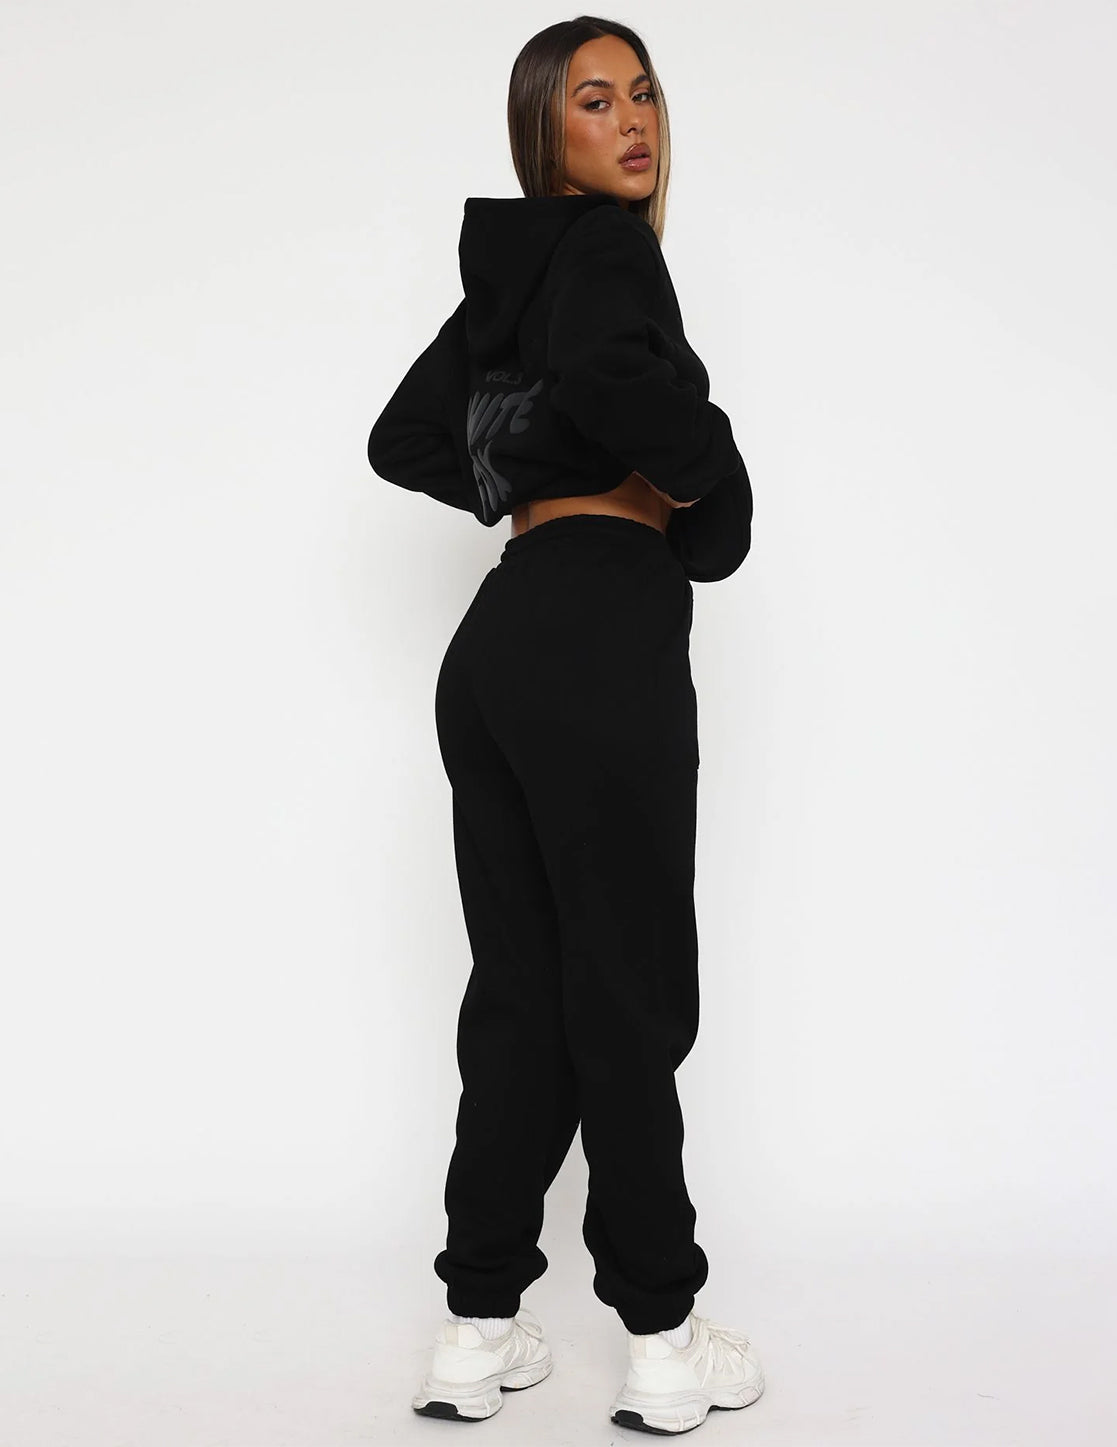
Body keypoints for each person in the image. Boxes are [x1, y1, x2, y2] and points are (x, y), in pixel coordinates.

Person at [367, 17, 764, 1434]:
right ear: (546, 130)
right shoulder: (604, 249)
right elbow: (613, 385)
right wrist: (704, 470)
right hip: (598, 630)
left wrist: (527, 462)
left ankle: (477, 1328)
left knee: (522, 995)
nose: (632, 121)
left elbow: (406, 441)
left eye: (642, 94)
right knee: (627, 989)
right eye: (595, 100)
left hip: (499, 641)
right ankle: (661, 1339)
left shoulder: (514, 278)